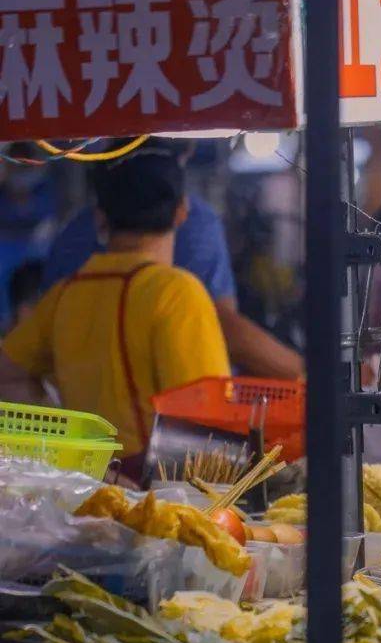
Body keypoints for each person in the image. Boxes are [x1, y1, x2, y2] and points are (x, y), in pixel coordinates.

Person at [0, 145, 229, 477]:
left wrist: (69, 445)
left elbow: (7, 375)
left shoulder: (65, 294)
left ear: (100, 218)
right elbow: (210, 433)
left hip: (87, 488)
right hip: (156, 496)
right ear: (182, 212)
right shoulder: (176, 292)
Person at [44, 141, 303, 380]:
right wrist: (306, 376)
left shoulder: (71, 244)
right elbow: (224, 327)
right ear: (181, 212)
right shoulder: (180, 287)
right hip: (171, 418)